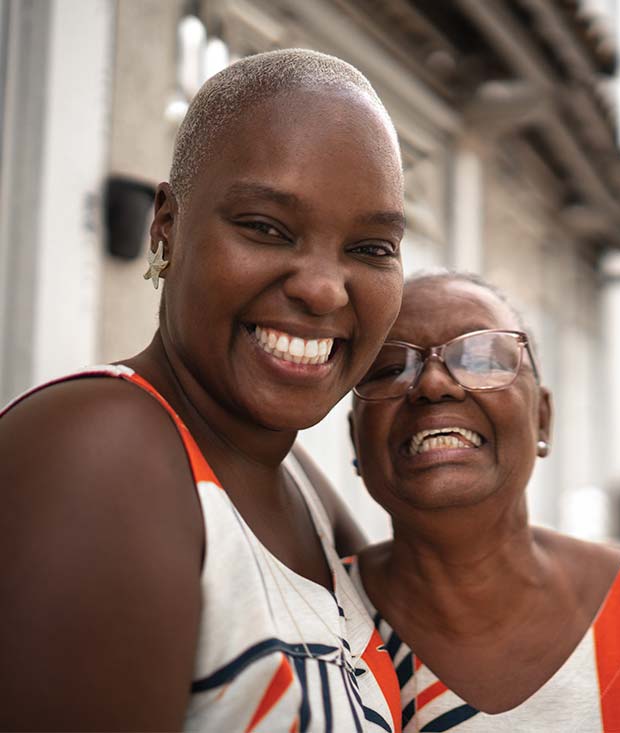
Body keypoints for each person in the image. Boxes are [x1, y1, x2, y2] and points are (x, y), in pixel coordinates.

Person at [0, 50, 406, 732]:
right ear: (166, 225)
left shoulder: (298, 486)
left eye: (370, 249)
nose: (323, 287)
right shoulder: (101, 453)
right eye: (266, 228)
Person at [347, 271, 620, 732]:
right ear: (356, 442)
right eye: (390, 368)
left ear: (542, 419)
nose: (434, 384)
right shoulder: (315, 625)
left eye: (480, 358)